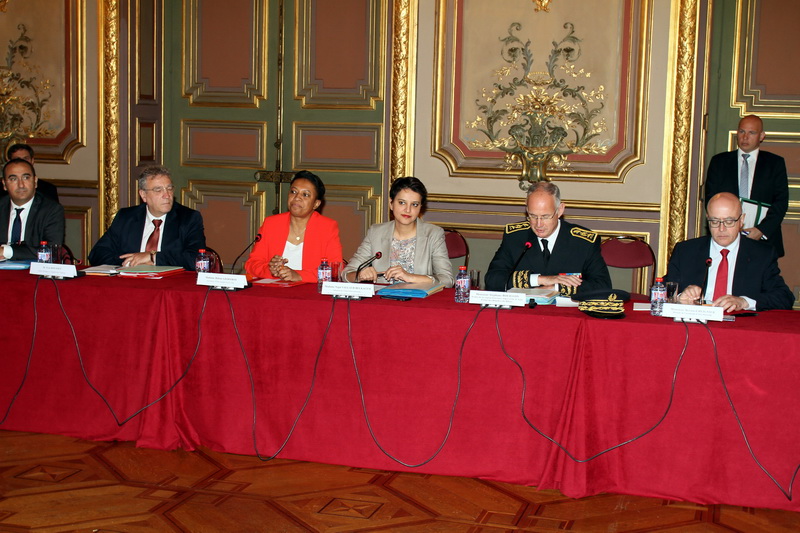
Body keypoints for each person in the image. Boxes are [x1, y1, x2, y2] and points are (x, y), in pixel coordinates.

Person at [665, 192, 793, 312]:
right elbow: (661, 290)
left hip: (741, 328)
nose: (722, 228)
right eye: (715, 221)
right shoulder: (686, 251)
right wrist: (679, 296)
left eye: (729, 221)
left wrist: (744, 302)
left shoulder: (761, 254)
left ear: (741, 220)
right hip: (694, 325)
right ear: (707, 219)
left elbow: (784, 297)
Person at [484, 181, 611, 295]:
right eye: (532, 216)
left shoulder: (583, 242)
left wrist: (555, 287)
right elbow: (493, 279)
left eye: (545, 216)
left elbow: (603, 286)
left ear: (560, 210)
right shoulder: (515, 237)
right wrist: (540, 279)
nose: (538, 224)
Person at [88, 165, 206, 270]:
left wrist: (152, 257)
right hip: (129, 285)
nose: (167, 195)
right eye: (158, 190)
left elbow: (196, 259)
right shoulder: (126, 217)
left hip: (168, 287)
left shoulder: (188, 218)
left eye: (169, 188)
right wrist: (133, 261)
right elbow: (97, 254)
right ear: (143, 195)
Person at [342, 177, 453, 287]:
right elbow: (346, 274)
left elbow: (447, 280)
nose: (408, 210)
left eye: (414, 204)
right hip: (382, 300)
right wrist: (359, 275)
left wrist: (410, 277)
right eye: (402, 203)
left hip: (419, 301)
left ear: (420, 208)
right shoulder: (376, 232)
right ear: (391, 203)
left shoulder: (433, 234)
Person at [704, 115, 788, 257]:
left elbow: (781, 202)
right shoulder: (719, 162)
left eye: (751, 133)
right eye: (742, 132)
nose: (745, 137)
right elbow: (711, 199)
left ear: (761, 136)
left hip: (763, 240)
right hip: (725, 236)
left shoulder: (775, 163)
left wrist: (761, 230)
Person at [245, 170, 342, 282]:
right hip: (273, 292)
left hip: (309, 295)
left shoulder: (327, 227)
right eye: (293, 192)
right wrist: (270, 270)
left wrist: (298, 276)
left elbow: (335, 270)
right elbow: (251, 264)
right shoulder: (271, 223)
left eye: (305, 195)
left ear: (316, 204)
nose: (297, 197)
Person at [0, 158, 65, 260]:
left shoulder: (51, 210)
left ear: (35, 181)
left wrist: (7, 251)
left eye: (26, 178)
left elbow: (52, 251)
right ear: (4, 184)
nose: (21, 185)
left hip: (34, 272)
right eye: (13, 179)